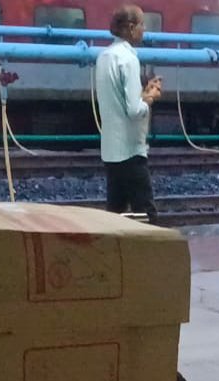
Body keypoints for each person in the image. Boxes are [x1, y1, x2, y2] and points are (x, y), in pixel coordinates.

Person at [95, 5, 163, 223]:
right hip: (130, 152)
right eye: (142, 24)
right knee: (146, 216)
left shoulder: (103, 57)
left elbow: (119, 102)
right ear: (131, 28)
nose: (144, 29)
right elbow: (134, 111)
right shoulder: (129, 59)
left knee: (116, 216)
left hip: (111, 151)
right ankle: (150, 257)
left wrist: (142, 95)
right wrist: (150, 98)